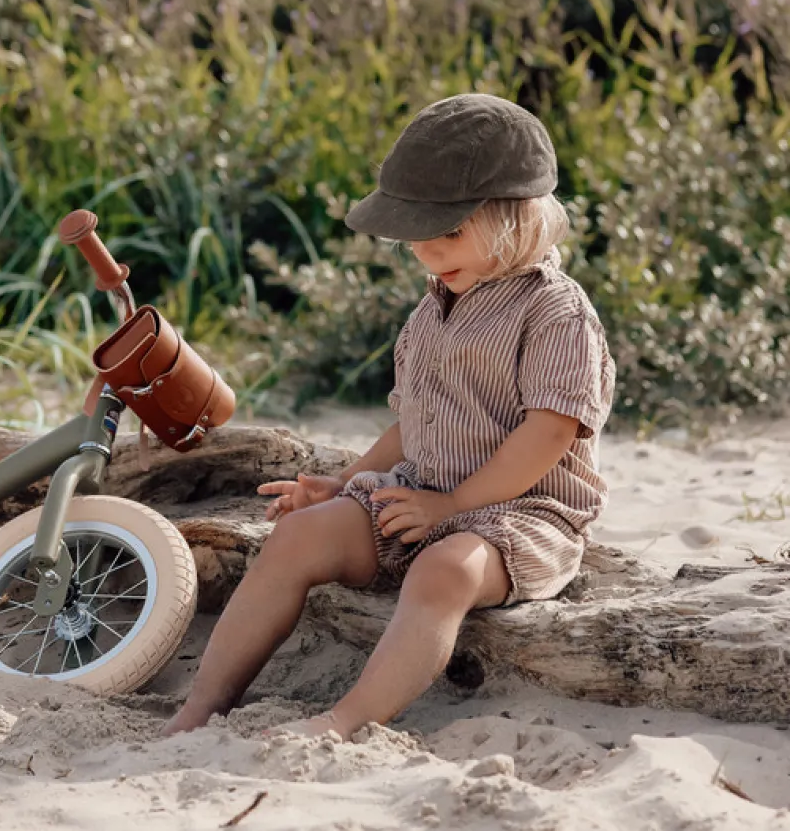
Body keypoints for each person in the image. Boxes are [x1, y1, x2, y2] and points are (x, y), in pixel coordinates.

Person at [163, 93, 616, 740]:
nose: (429, 255)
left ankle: (347, 718)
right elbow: (414, 423)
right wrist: (346, 482)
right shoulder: (433, 309)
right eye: (415, 242)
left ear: (518, 218)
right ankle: (200, 706)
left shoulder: (555, 313)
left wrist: (453, 505)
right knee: (296, 536)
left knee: (445, 571)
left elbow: (549, 433)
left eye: (451, 235)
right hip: (421, 496)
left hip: (521, 514)